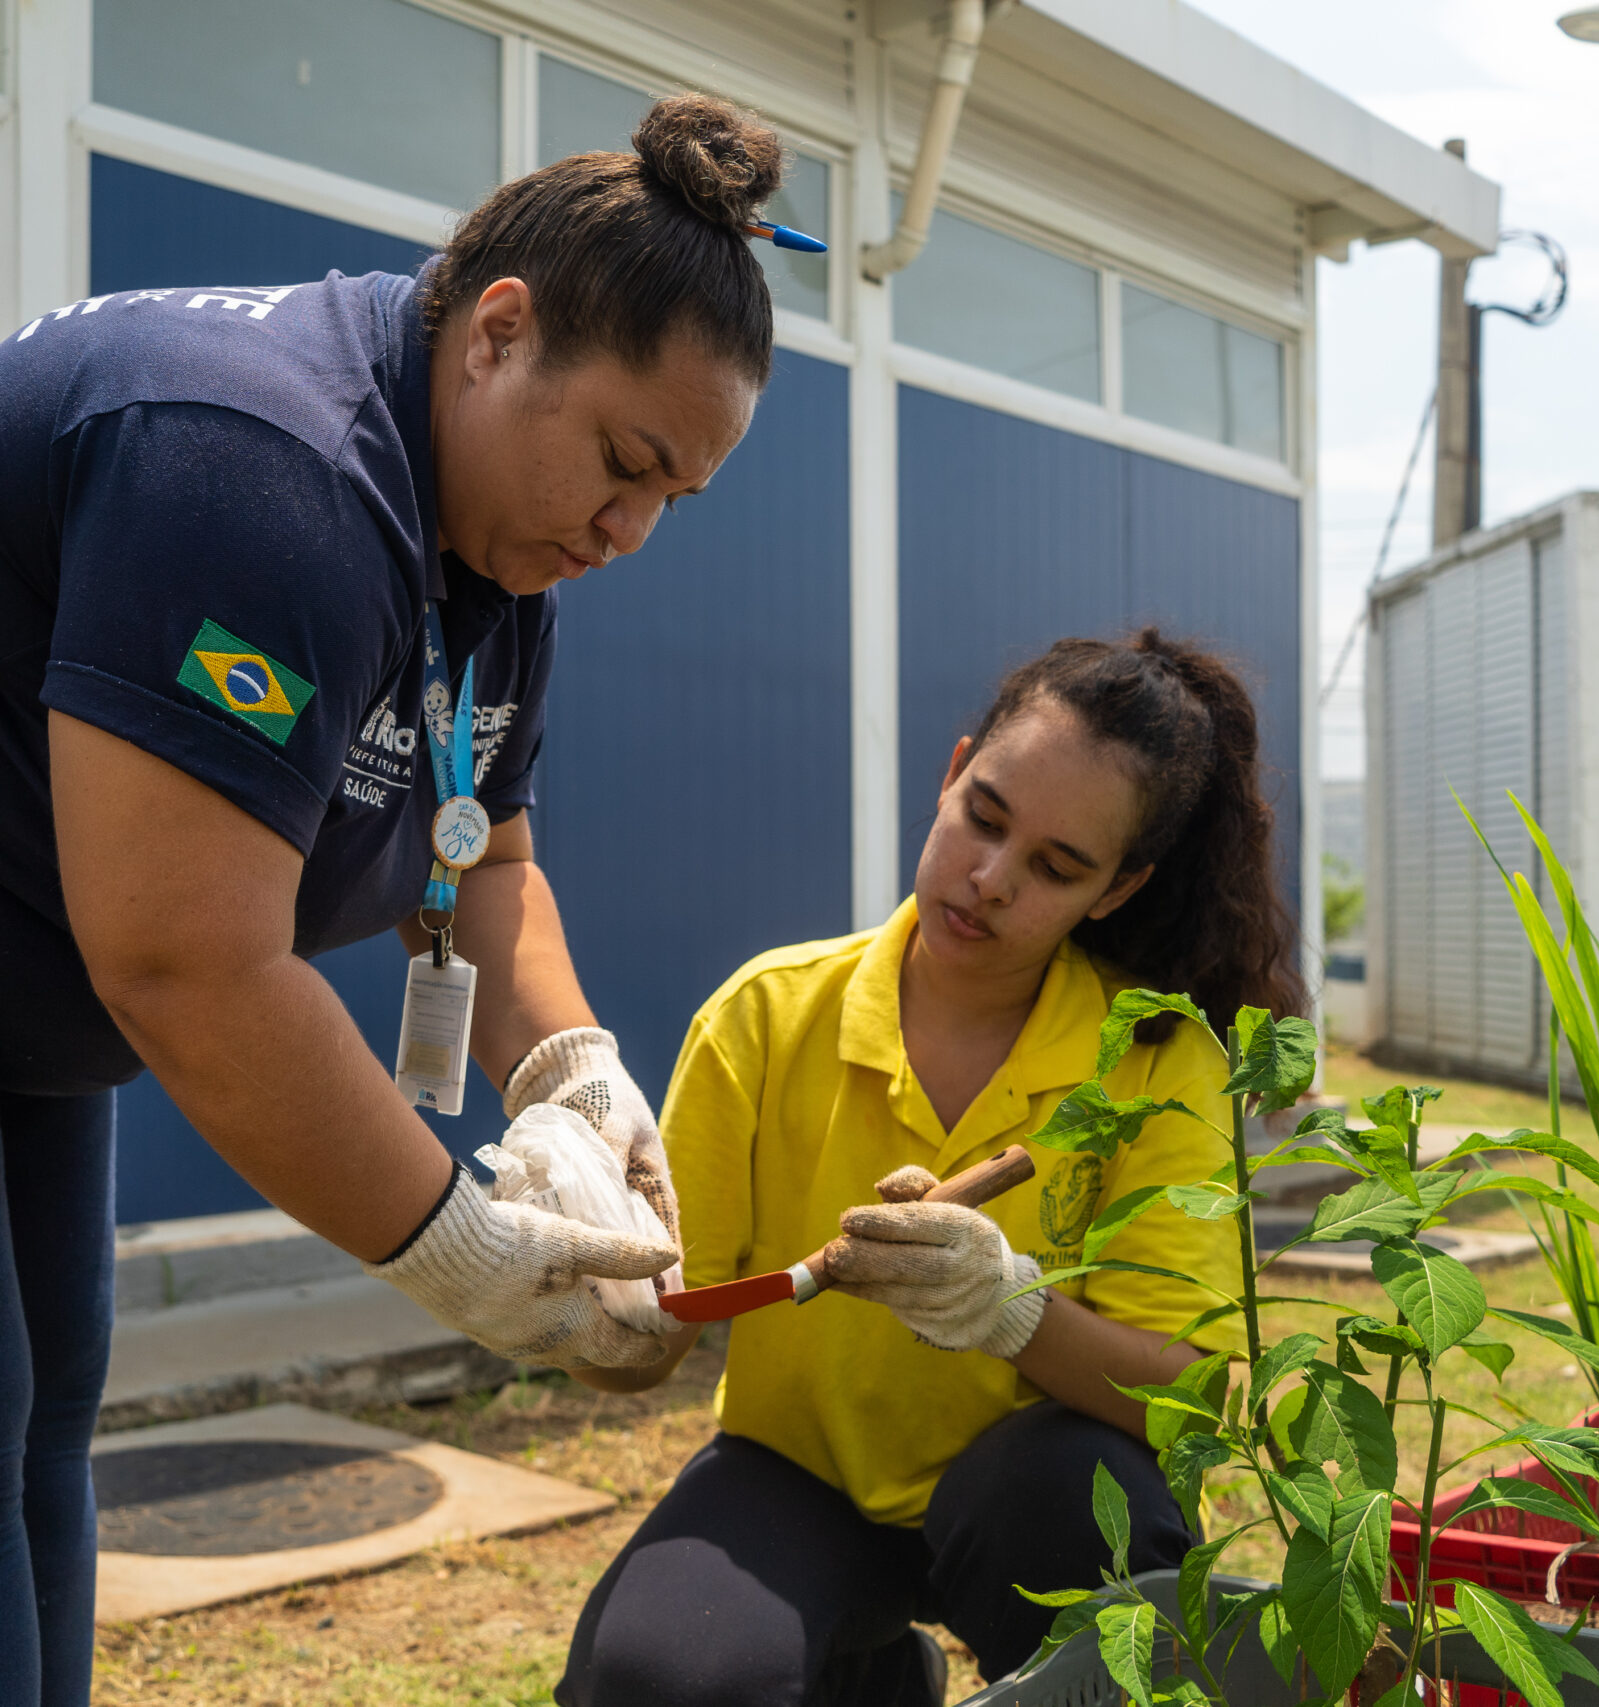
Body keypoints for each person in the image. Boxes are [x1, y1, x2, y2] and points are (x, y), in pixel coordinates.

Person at [0, 94, 801, 1706]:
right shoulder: (254, 465)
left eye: (675, 495)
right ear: (499, 332)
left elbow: (494, 848)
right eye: (625, 461)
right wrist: (458, 1242)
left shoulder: (501, 543)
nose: (631, 532)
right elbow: (187, 964)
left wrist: (572, 1070)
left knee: (43, 1411)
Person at [558, 628, 1306, 1707]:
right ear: (952, 774)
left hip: (1027, 1492)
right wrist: (570, 1290)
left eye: (1055, 867)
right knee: (661, 1681)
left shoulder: (1154, 1058)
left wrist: (1010, 1310)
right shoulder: (768, 1015)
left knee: (1078, 1507)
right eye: (983, 818)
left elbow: (1187, 1399)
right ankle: (869, 1675)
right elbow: (659, 1319)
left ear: (1118, 888)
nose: (989, 880)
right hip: (798, 1472)